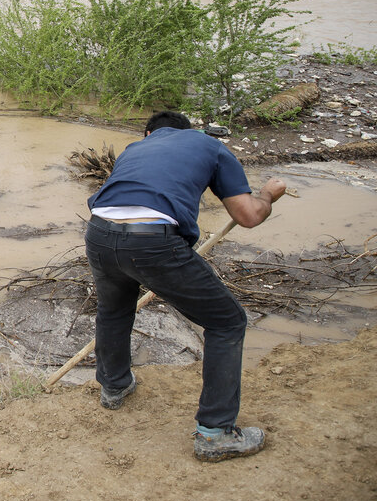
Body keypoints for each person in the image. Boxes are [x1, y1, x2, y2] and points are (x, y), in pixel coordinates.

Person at [84, 111, 285, 462]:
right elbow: (248, 215)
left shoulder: (135, 148)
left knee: (113, 310)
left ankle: (114, 386)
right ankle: (215, 433)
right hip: (152, 241)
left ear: (150, 133)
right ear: (187, 132)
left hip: (99, 231)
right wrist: (268, 194)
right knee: (227, 321)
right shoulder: (209, 145)